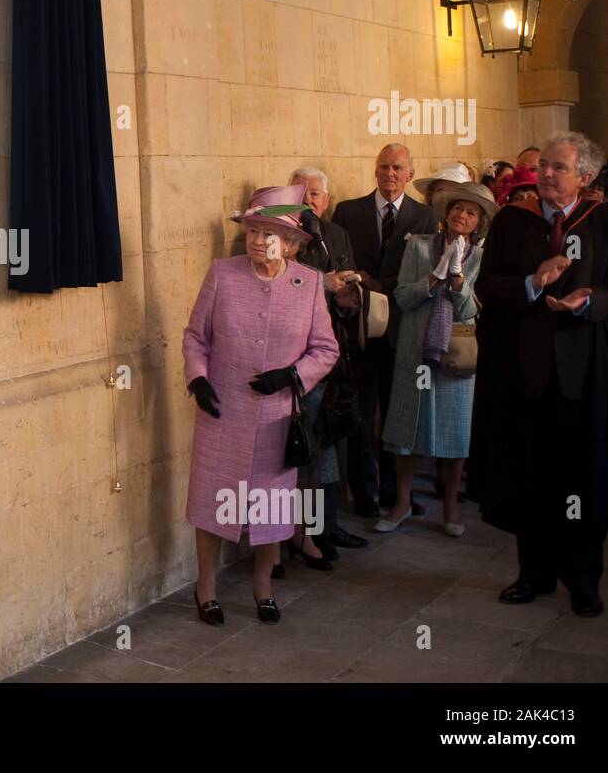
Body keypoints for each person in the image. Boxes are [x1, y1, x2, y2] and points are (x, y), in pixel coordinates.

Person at [471, 132, 608, 617]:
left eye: (559, 167)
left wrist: (590, 302)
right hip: (526, 369)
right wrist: (531, 284)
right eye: (544, 167)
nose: (546, 174)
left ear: (584, 177)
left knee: (584, 478)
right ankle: (533, 574)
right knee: (530, 474)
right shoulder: (513, 223)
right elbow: (487, 286)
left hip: (585, 371)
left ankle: (582, 580)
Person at [183, 184, 339, 626]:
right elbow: (195, 336)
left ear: (289, 244)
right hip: (221, 410)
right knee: (214, 501)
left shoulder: (307, 284)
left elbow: (326, 350)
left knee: (270, 509)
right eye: (252, 229)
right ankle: (206, 587)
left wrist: (292, 377)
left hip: (276, 416)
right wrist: (198, 379)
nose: (257, 240)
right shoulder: (222, 274)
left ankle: (263, 586)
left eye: (269, 233)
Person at [376, 182, 496, 537]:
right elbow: (402, 296)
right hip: (415, 349)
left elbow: (473, 309)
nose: (462, 215)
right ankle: (402, 502)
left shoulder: (481, 257)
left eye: (471, 212)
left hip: (456, 354)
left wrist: (458, 280)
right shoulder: (419, 245)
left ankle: (450, 506)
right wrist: (434, 277)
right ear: (446, 213)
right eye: (458, 208)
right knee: (406, 427)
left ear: (479, 223)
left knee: (455, 429)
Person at [331, 144, 437, 518]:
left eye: (397, 168)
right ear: (375, 171)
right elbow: (341, 261)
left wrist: (374, 282)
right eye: (383, 167)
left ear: (410, 173)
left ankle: (397, 494)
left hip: (401, 328)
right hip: (359, 328)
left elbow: (419, 271)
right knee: (361, 412)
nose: (390, 174)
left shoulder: (424, 217)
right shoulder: (348, 211)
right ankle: (364, 496)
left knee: (397, 413)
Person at [289, 167, 368, 561]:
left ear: (326, 199)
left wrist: (347, 291)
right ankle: (304, 534)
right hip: (297, 358)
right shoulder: (286, 236)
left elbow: (350, 284)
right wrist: (325, 282)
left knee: (331, 441)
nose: (310, 200)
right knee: (306, 447)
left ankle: (328, 526)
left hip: (334, 349)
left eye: (316, 194)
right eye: (302, 193)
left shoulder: (335, 234)